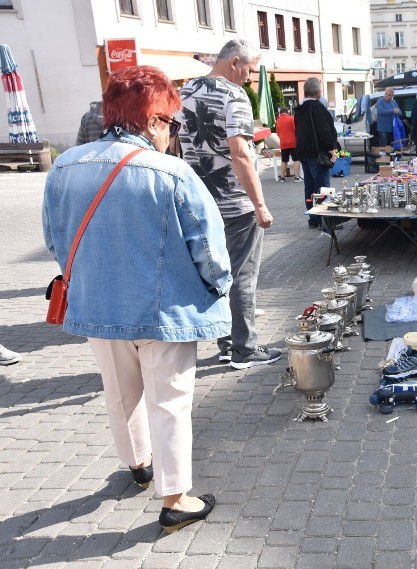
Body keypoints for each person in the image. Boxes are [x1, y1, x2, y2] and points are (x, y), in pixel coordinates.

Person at [42, 65, 231, 533]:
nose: (172, 133)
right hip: (164, 309)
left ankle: (137, 465)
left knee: (120, 393)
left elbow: (54, 237)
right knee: (169, 402)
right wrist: (219, 285)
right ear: (151, 120)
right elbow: (208, 248)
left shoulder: (65, 165)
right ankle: (175, 499)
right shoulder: (171, 172)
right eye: (171, 122)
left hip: (97, 304)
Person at [178, 39, 282, 369]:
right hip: (235, 204)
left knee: (217, 275)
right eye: (249, 70)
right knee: (242, 277)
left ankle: (225, 343)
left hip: (199, 203)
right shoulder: (233, 95)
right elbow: (240, 153)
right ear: (235, 62)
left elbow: (174, 147)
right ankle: (245, 350)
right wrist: (260, 204)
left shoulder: (184, 91)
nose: (249, 79)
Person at [294, 77, 338, 230]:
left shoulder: (299, 109)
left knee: (310, 187)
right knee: (323, 188)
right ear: (318, 93)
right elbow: (324, 130)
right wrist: (332, 149)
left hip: (304, 153)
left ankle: (313, 219)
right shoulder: (316, 107)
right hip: (317, 153)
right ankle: (327, 223)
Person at [275, 108, 300, 181]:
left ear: (280, 113)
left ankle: (282, 177)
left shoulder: (278, 120)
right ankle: (297, 177)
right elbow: (296, 130)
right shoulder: (292, 119)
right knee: (296, 159)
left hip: (283, 143)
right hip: (293, 143)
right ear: (287, 112)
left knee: (284, 160)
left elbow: (278, 133)